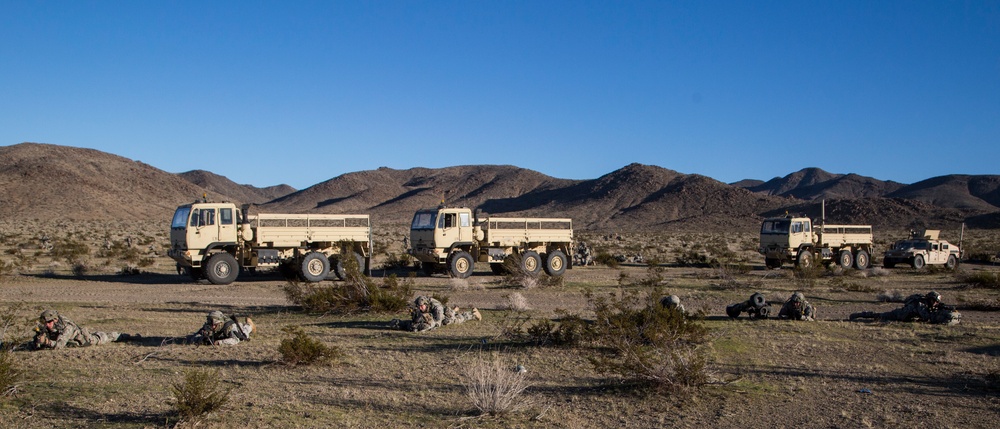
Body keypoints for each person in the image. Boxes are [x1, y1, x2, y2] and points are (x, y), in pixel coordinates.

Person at [32, 309, 137, 350]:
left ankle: (126, 336)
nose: (47, 325)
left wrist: (46, 342)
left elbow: (59, 345)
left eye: (49, 322)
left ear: (55, 320)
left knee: (106, 337)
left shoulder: (67, 327)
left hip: (86, 340)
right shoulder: (47, 327)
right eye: (45, 323)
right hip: (72, 341)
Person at [850, 291, 961, 325]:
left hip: (906, 317)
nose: (936, 303)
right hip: (901, 315)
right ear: (930, 299)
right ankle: (860, 315)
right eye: (935, 301)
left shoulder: (926, 304)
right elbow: (926, 317)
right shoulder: (920, 304)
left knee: (881, 316)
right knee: (880, 316)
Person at [392, 295, 481, 332]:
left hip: (443, 314)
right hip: (432, 315)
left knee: (450, 320)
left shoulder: (436, 307)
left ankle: (472, 315)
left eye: (422, 306)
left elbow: (438, 322)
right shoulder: (419, 305)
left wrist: (428, 326)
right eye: (419, 306)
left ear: (426, 304)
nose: (420, 308)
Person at [189, 310, 256, 345]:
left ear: (220, 323)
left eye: (215, 324)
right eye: (211, 324)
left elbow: (235, 340)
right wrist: (201, 338)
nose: (212, 326)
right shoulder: (208, 326)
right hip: (223, 335)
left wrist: (220, 343)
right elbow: (193, 338)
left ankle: (249, 324)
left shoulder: (230, 327)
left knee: (244, 335)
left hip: (237, 328)